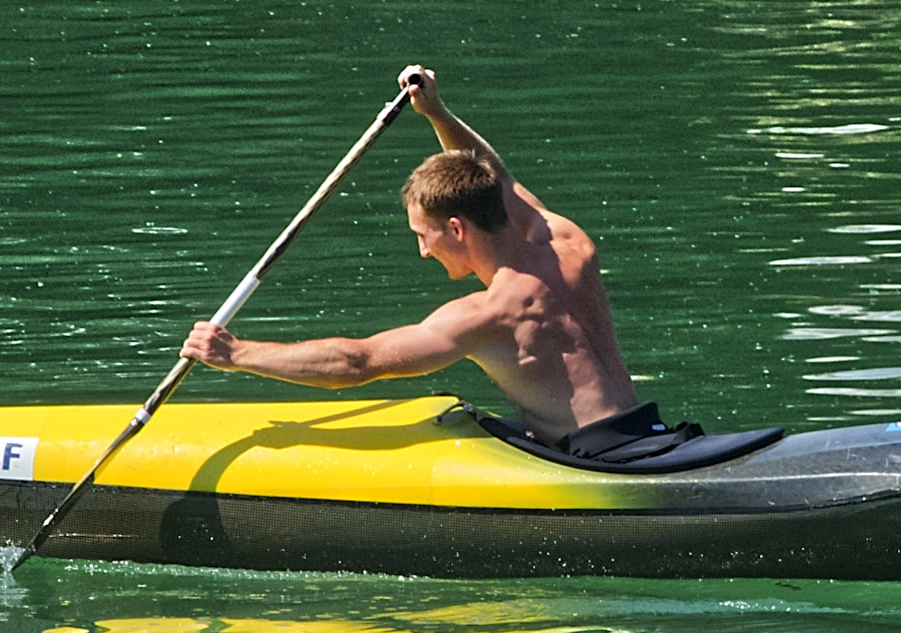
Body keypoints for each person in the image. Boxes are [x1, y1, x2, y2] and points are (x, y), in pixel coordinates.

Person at [181, 65, 638, 446]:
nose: (422, 252)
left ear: (456, 229)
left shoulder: (490, 314)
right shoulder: (567, 243)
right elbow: (496, 178)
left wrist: (236, 353)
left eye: (424, 235)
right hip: (641, 429)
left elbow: (357, 363)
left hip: (595, 459)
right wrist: (435, 111)